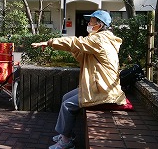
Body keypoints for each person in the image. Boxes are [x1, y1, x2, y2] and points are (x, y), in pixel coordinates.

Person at [31, 10, 126, 149]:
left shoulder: (99, 39)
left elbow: (76, 42)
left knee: (67, 105)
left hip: (103, 90)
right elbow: (81, 55)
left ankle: (66, 141)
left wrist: (50, 42)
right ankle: (67, 133)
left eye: (91, 21)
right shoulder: (101, 38)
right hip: (99, 84)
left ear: (99, 25)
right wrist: (72, 48)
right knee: (66, 97)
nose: (88, 24)